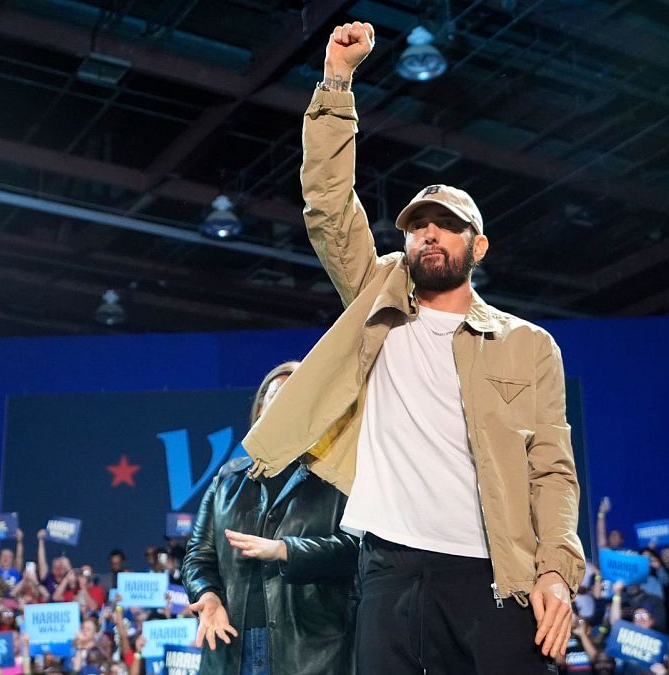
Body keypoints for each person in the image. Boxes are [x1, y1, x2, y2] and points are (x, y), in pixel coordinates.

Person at [241, 22, 585, 674]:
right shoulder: (375, 298)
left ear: (479, 246)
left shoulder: (528, 345)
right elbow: (327, 204)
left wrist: (557, 571)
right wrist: (336, 82)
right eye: (418, 226)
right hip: (390, 568)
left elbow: (553, 472)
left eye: (447, 226)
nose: (429, 234)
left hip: (494, 570)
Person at [184, 361, 358, 675]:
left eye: (296, 396)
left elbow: (355, 551)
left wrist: (285, 550)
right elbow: (199, 555)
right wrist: (208, 596)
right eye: (276, 396)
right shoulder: (228, 479)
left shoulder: (337, 479)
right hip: (231, 649)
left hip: (309, 653)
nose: (284, 405)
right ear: (260, 409)